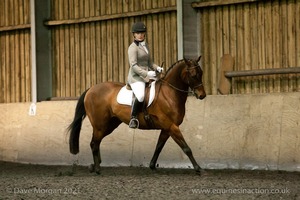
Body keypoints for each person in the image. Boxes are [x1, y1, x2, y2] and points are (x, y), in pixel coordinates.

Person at [127, 22, 163, 129]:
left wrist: (157, 68)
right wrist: (147, 73)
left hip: (148, 75)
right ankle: (133, 117)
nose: (140, 35)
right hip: (136, 77)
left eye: (142, 33)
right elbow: (133, 66)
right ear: (134, 34)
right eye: (138, 33)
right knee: (141, 96)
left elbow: (150, 63)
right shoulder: (132, 48)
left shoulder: (145, 46)